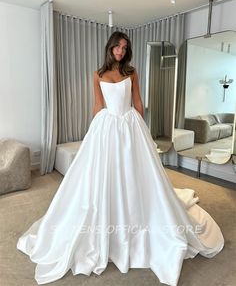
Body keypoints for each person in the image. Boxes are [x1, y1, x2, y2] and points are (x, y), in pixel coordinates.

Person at [17, 31, 224, 286]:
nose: (121, 51)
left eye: (125, 48)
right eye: (117, 47)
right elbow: (98, 105)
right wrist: (93, 131)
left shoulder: (131, 72)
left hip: (130, 126)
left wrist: (143, 133)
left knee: (135, 175)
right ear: (110, 47)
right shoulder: (98, 74)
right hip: (106, 127)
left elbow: (138, 103)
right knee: (104, 176)